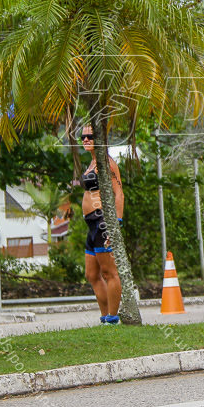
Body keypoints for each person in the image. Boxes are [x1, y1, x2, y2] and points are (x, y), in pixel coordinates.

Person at [81, 124, 124, 325]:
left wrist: (117, 223)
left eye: (90, 137)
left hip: (102, 222)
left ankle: (113, 318)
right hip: (91, 224)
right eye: (83, 137)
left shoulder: (107, 163)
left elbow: (119, 193)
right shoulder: (92, 163)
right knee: (91, 274)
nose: (86, 140)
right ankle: (105, 316)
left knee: (109, 272)